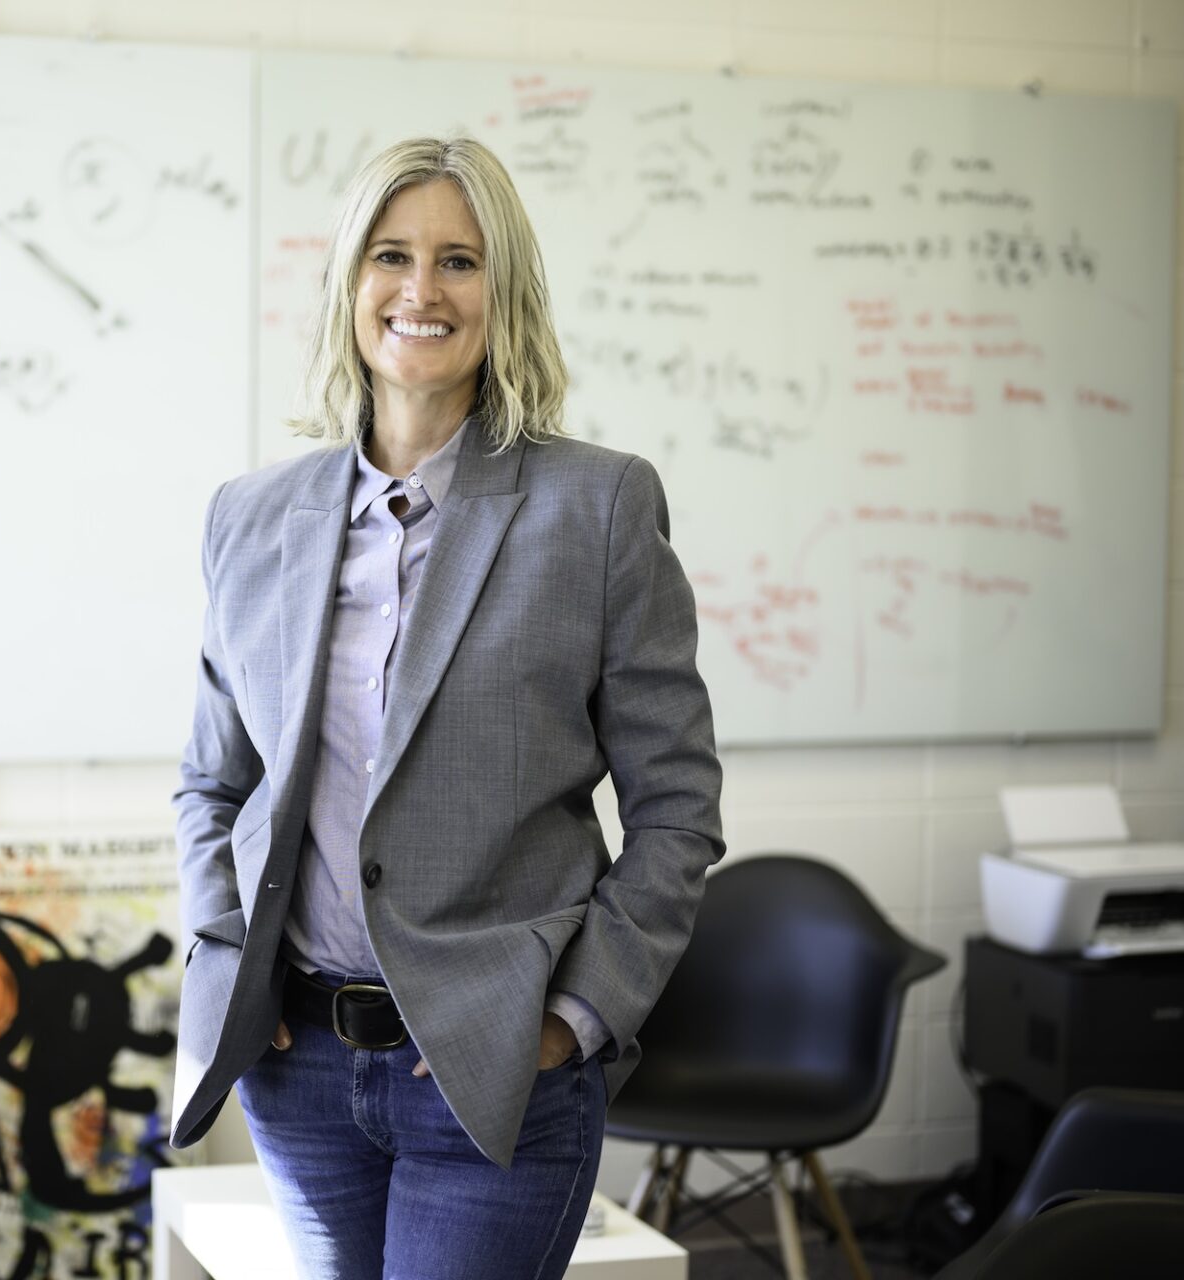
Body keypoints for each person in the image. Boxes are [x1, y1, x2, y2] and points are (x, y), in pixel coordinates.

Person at [168, 135, 725, 1280]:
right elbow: (214, 783)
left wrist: (573, 1016)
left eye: (459, 260)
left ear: (502, 291)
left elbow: (677, 810)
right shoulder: (249, 518)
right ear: (350, 283)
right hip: (300, 1069)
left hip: (492, 1072)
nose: (421, 290)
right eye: (392, 254)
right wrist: (234, 955)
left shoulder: (600, 507)